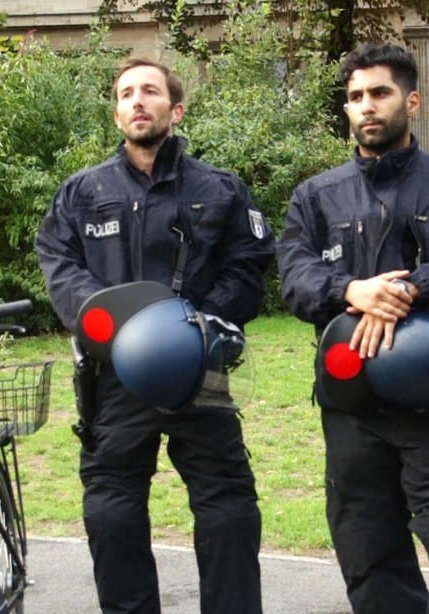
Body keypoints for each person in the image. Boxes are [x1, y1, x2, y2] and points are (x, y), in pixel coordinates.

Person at [36, 57, 273, 614]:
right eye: (126, 94)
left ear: (176, 108)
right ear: (117, 114)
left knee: (228, 508)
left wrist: (200, 328)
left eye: (150, 91)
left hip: (201, 368)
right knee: (111, 511)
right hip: (115, 373)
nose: (138, 101)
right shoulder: (82, 193)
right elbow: (60, 265)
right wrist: (110, 327)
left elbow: (248, 267)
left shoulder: (221, 189)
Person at [277, 43, 429, 613]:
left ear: (412, 100)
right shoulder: (315, 196)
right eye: (355, 97)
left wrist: (408, 288)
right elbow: (294, 277)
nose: (366, 106)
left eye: (379, 93)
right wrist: (351, 290)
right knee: (367, 548)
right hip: (351, 401)